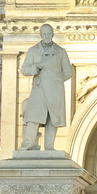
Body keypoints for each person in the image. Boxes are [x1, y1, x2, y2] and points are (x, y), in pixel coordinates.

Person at [18, 23, 73, 151]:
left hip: (55, 89)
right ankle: (29, 143)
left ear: (53, 34)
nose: (47, 36)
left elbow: (68, 71)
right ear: (41, 35)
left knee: (52, 118)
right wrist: (35, 67)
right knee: (33, 116)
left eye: (49, 34)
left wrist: (56, 80)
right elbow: (24, 69)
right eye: (44, 34)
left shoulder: (60, 52)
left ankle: (49, 146)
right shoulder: (33, 50)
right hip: (39, 88)